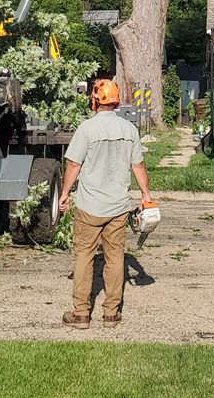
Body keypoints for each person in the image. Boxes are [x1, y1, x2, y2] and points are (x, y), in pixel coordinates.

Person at [59, 78, 153, 329]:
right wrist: (146, 195)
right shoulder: (129, 130)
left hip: (89, 206)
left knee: (83, 257)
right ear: (116, 101)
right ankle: (111, 313)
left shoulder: (87, 129)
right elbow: (138, 165)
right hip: (118, 207)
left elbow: (73, 164)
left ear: (95, 100)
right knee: (114, 258)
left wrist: (65, 193)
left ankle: (80, 314)